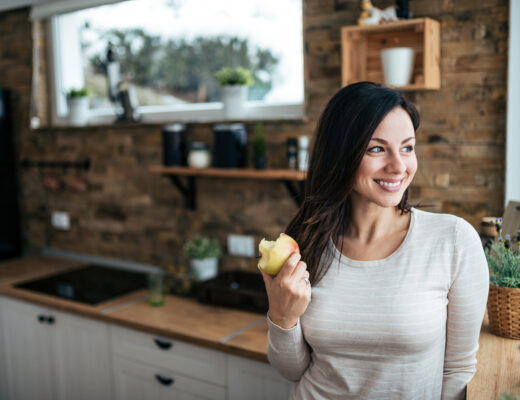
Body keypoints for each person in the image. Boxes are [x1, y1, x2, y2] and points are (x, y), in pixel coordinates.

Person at [259, 82, 489, 400]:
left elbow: (457, 372)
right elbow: (292, 371)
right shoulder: (306, 243)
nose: (398, 166)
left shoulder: (452, 241)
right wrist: (282, 317)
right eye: (376, 149)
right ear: (341, 155)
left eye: (407, 147)